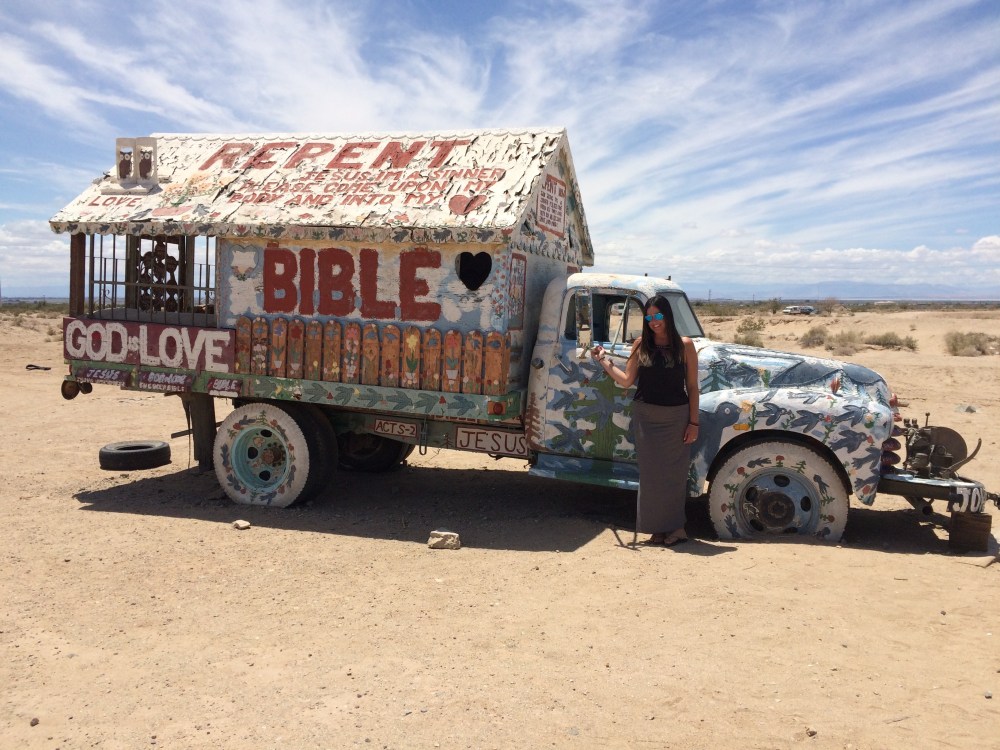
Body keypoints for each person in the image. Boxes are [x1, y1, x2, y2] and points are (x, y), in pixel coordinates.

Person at [591, 296, 699, 546]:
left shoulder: (685, 345)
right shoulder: (641, 345)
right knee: (651, 475)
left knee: (673, 474)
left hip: (676, 417)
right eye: (649, 317)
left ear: (667, 316)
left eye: (658, 316)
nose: (654, 322)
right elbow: (627, 380)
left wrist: (694, 423)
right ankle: (657, 529)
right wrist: (603, 360)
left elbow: (692, 386)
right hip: (646, 416)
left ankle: (677, 528)